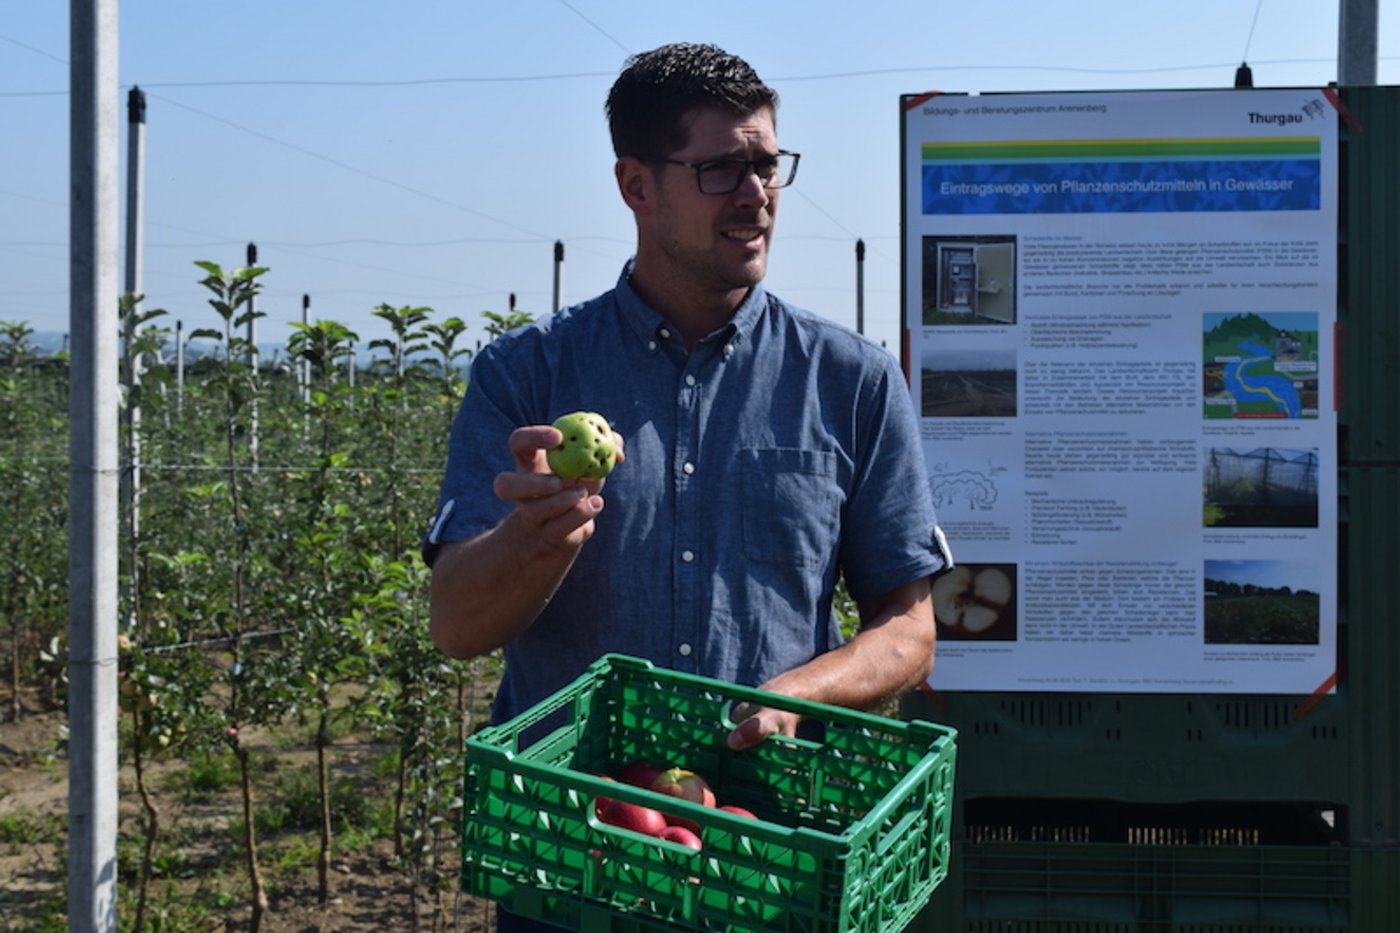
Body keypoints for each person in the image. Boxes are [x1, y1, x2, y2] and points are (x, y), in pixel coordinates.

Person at [423, 41, 951, 931]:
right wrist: (533, 538)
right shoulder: (526, 376)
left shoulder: (853, 381)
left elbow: (909, 630)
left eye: (766, 164)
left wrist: (798, 695)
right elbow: (455, 625)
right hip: (573, 865)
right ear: (636, 185)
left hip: (770, 861)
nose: (757, 193)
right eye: (720, 169)